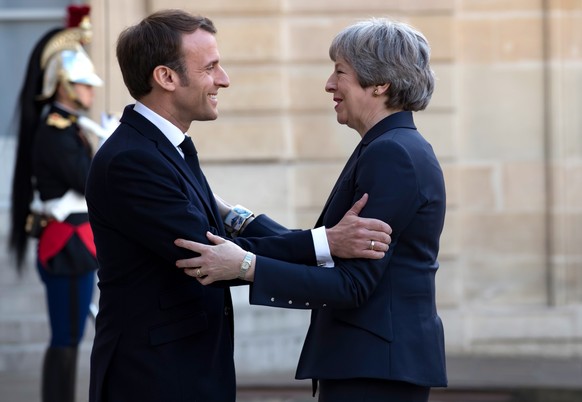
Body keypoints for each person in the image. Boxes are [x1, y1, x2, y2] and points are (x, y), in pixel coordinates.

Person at [85, 10, 392, 402]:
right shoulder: (133, 160)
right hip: (154, 376)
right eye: (210, 67)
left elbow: (219, 237)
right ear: (166, 77)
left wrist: (256, 224)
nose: (223, 79)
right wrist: (325, 243)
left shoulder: (161, 148)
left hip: (181, 369)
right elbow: (210, 255)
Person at [175, 18, 447, 402]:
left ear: (380, 82)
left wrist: (244, 266)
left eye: (340, 72)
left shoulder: (392, 154)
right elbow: (329, 246)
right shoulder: (389, 145)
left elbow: (351, 284)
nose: (329, 85)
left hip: (375, 370)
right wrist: (233, 216)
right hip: (374, 363)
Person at [8, 5, 107, 402]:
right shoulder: (56, 132)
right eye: (83, 85)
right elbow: (89, 182)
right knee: (66, 338)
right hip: (68, 246)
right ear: (64, 84)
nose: (90, 91)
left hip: (76, 245)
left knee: (71, 336)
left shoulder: (68, 128)